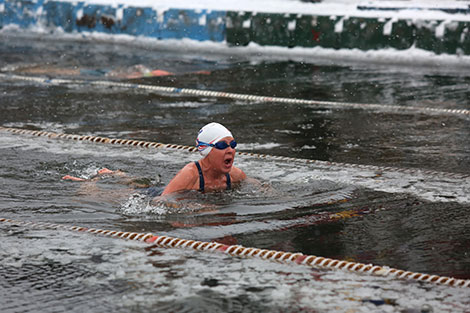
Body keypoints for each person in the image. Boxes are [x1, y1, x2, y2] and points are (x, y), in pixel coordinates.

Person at [161, 122, 246, 195]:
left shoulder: (235, 175)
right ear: (206, 150)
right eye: (222, 145)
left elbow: (256, 188)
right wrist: (197, 208)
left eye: (233, 144)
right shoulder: (190, 174)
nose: (230, 150)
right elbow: (160, 201)